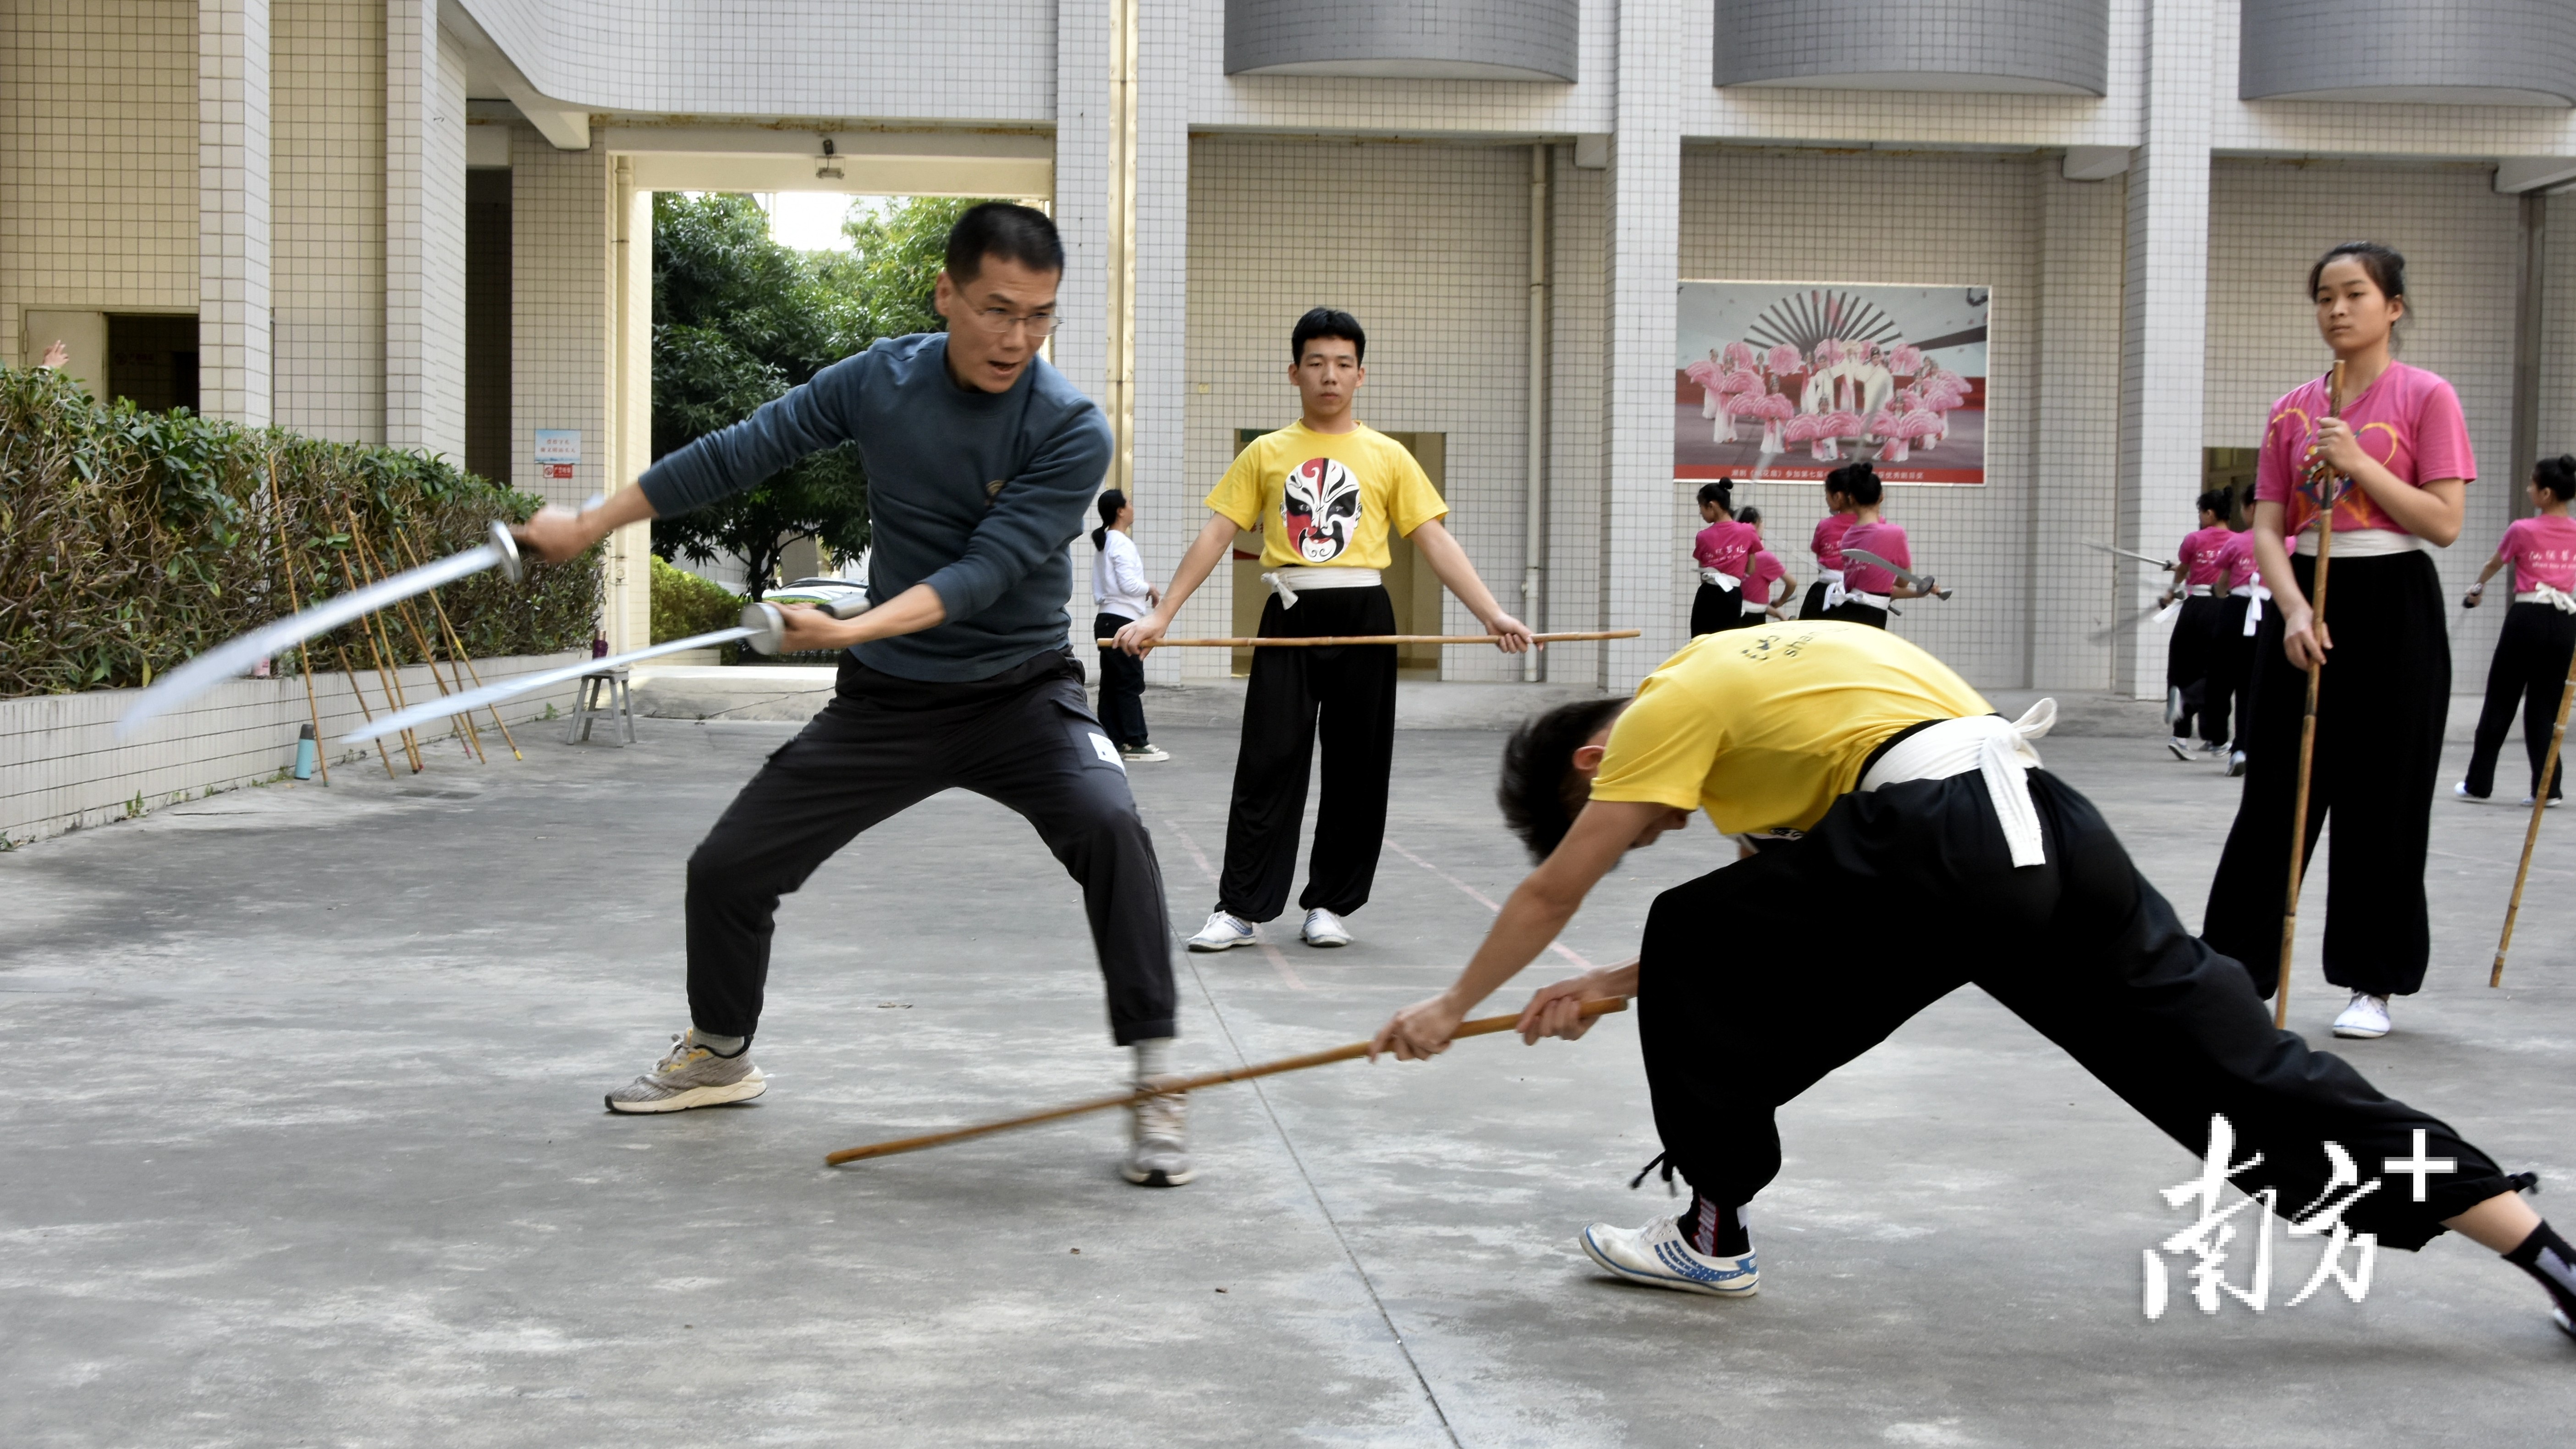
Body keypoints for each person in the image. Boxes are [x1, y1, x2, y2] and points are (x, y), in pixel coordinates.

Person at [1368, 625, 2572, 1345]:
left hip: (1940, 842)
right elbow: (1818, 926)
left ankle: (1712, 1226)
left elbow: (1552, 900)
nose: (1635, 829)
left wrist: (1443, 1007)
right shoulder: (1785, 685)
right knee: (2248, 1075)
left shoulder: (1664, 713)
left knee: (1691, 929)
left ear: (1594, 758)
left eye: (1617, 821)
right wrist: (1607, 991)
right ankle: (2542, 1254)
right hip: (2046, 837)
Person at [512, 204, 1195, 1187]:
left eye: (1039, 316)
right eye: (997, 309)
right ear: (946, 293)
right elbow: (739, 450)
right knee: (728, 866)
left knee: (1111, 824)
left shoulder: (1068, 428)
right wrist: (589, 522)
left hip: (1022, 696)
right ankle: (719, 1050)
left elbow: (984, 571)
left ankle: (1154, 1080)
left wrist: (844, 627)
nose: (1016, 338)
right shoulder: (882, 378)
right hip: (890, 702)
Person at [1115, 308, 1535, 954]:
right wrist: (1161, 614)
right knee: (1269, 759)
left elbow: (1432, 539)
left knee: (1357, 766)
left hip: (1365, 615)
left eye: (1342, 364)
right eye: (1316, 363)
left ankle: (1330, 905)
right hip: (1289, 613)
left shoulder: (1388, 456)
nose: (1329, 376)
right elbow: (1217, 535)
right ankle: (1242, 908)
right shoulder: (1266, 453)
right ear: (1295, 373)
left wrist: (1492, 613)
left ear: (1361, 375)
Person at [2202, 242, 2469, 1045]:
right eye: (2325, 296)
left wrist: (2358, 463)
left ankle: (2372, 981)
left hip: (2396, 601)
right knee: (2277, 792)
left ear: (2393, 307)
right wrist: (2288, 610)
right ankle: (2235, 971)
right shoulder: (2292, 409)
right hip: (2306, 602)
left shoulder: (2427, 396)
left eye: (2355, 294)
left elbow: (2444, 523)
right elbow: (2270, 525)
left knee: (2384, 799)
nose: (2337, 310)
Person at [2457, 453, 2576, 807]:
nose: (2528, 489)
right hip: (2566, 620)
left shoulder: (2523, 530)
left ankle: (2479, 784)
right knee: (2546, 709)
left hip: (2527, 618)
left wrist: (2476, 589)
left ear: (2546, 494)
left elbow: (2495, 563)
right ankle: (2548, 789)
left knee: (2501, 699)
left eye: (2532, 484)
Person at [2160, 489, 2241, 761]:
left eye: (2201, 512)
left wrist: (2171, 592)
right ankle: (2216, 738)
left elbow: (2184, 570)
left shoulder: (2194, 539)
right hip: (2221, 606)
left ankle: (2181, 737)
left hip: (2193, 608)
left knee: (2184, 667)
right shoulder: (2237, 541)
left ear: (2209, 513)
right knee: (2219, 672)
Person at [1090, 488, 1166, 762]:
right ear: (1120, 511)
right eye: (1130, 503)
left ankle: (1113, 740)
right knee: (1128, 681)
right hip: (1123, 621)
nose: (1133, 507)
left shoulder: (1106, 542)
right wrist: (1151, 588)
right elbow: (1128, 584)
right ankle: (1135, 741)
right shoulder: (1120, 542)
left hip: (1107, 620)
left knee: (1113, 683)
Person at [1822, 463, 1930, 627]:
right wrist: (1918, 592)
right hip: (1873, 616)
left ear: (1851, 499)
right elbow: (1901, 583)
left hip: (1846, 611)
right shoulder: (1895, 534)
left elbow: (1862, 586)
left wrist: (1916, 593)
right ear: (1882, 496)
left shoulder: (1847, 538)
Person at [2213, 516, 2260, 777]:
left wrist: (2219, 592)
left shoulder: (2237, 542)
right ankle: (2261, 749)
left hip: (2238, 612)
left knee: (2240, 684)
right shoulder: (2290, 542)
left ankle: (2239, 749)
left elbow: (2222, 585)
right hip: (2273, 613)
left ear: (2249, 508)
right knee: (2265, 687)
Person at [1688, 479, 1758, 636]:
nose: (1700, 512)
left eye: (1701, 507)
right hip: (1732, 595)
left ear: (1711, 506)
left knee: (1702, 641)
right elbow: (1751, 569)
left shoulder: (1703, 537)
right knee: (1727, 641)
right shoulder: (1748, 531)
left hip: (1707, 595)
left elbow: (1703, 575)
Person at [1799, 474, 1856, 619]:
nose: (1826, 499)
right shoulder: (1876, 525)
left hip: (1824, 593)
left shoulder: (1825, 525)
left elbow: (1821, 563)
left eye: (1827, 494)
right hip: (1860, 595)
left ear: (1837, 496)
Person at [1732, 506, 1794, 629]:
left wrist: (1777, 613)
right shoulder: (1765, 557)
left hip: (1732, 614)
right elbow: (1792, 583)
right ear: (1753, 526)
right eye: (1761, 522)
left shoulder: (1733, 554)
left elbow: (1750, 600)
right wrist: (1781, 601)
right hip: (1753, 619)